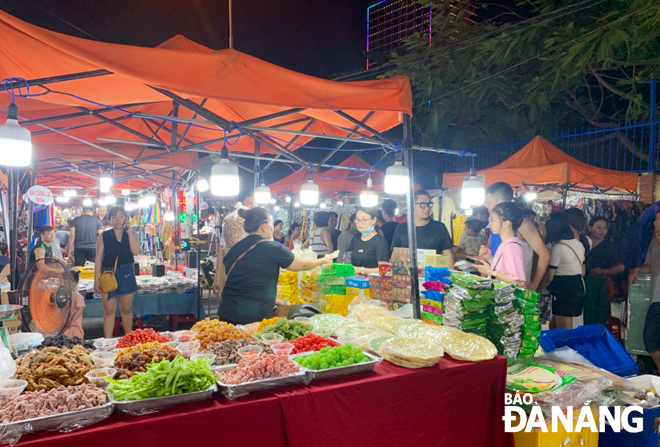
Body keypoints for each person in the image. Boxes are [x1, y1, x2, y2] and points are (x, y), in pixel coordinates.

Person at [217, 207, 331, 324]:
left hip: (226, 311)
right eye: (271, 223)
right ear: (263, 226)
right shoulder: (273, 248)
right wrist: (322, 261)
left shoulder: (234, 249)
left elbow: (245, 280)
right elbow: (301, 265)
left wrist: (272, 300)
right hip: (253, 316)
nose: (272, 227)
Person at [483, 182, 550, 291]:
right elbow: (490, 250)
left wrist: (534, 286)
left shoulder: (522, 224)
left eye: (488, 202)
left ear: (500, 201)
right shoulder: (496, 225)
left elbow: (544, 255)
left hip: (515, 290)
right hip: (496, 287)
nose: (487, 206)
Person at [94, 206, 140, 338]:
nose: (118, 220)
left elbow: (136, 252)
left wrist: (129, 231)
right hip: (108, 274)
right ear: (110, 219)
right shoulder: (104, 236)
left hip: (126, 273)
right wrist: (96, 279)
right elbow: (98, 258)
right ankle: (108, 341)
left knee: (127, 310)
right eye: (114, 217)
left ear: (126, 218)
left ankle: (128, 339)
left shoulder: (132, 234)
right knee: (108, 311)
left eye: (121, 217)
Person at [542, 213, 586, 330]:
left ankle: (565, 348)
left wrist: (539, 288)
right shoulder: (579, 244)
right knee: (556, 324)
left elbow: (550, 276)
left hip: (563, 289)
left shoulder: (559, 247)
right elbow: (582, 269)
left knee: (564, 330)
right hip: (577, 285)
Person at [629, 210, 660, 372]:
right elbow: (650, 266)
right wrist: (637, 270)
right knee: (651, 339)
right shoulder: (654, 242)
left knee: (652, 338)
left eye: (658, 219)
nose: (654, 222)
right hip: (657, 298)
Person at [391, 190, 454, 268]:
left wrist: (450, 275)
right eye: (423, 204)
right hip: (409, 276)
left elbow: (447, 253)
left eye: (429, 204)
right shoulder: (401, 229)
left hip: (433, 277)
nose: (427, 208)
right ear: (412, 205)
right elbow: (395, 254)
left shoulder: (440, 227)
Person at [584, 216, 625, 325]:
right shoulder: (583, 243)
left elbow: (621, 267)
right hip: (583, 286)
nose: (602, 231)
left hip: (601, 288)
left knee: (598, 317)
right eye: (598, 227)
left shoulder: (610, 247)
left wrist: (604, 270)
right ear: (590, 228)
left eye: (605, 228)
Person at [473, 203, 526, 284]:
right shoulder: (505, 244)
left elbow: (518, 281)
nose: (490, 223)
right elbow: (503, 271)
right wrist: (490, 258)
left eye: (493, 220)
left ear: (506, 223)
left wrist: (490, 272)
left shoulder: (511, 247)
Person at [348, 207, 390, 275]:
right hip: (354, 281)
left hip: (372, 283)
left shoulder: (380, 242)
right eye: (357, 219)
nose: (359, 223)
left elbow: (384, 269)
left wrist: (361, 270)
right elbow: (347, 259)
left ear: (374, 220)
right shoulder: (356, 238)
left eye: (364, 219)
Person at [63, 269, 86, 338]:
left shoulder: (77, 295)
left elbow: (80, 309)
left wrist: (72, 320)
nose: (65, 284)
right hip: (66, 324)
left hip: (74, 325)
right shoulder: (66, 295)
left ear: (75, 283)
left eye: (68, 282)